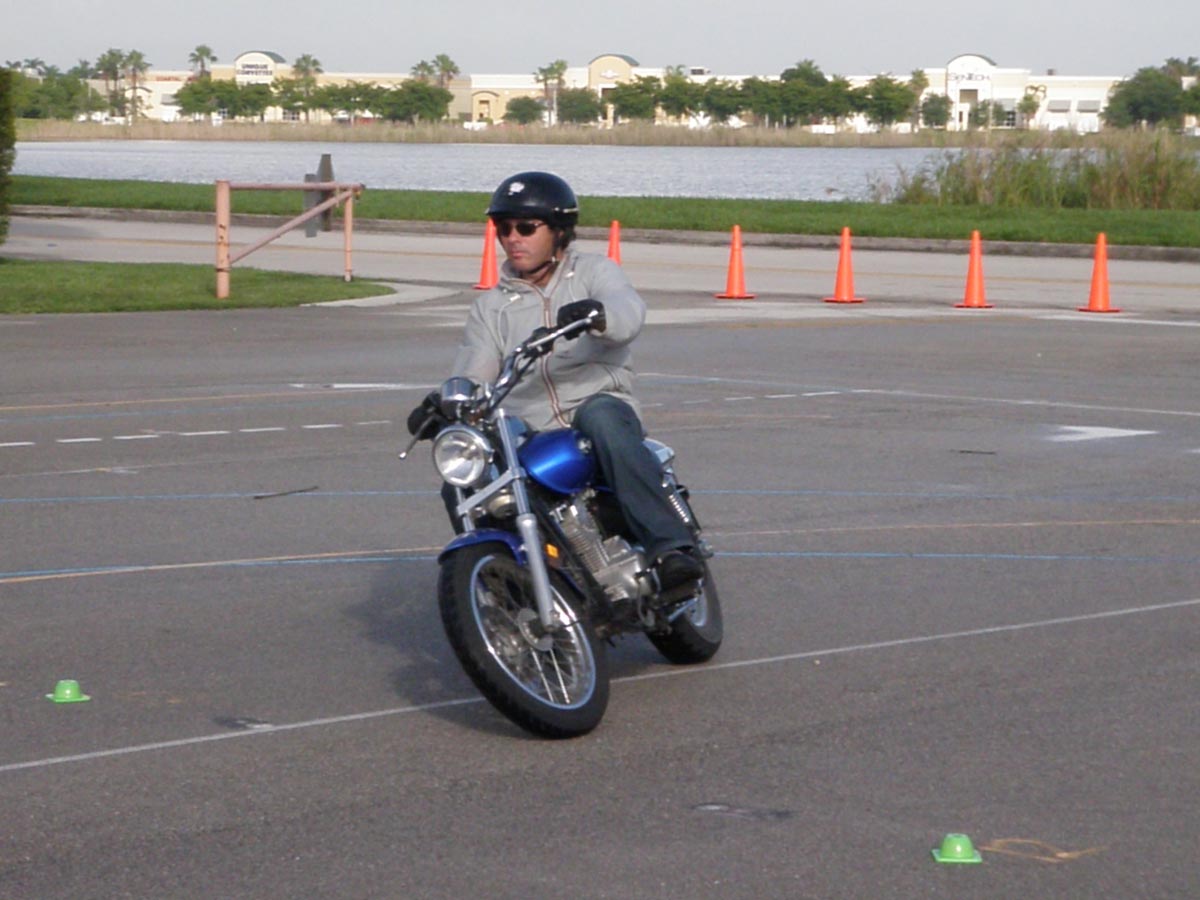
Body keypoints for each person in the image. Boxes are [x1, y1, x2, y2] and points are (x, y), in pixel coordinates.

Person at [407, 170, 703, 594]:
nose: (513, 238)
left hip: (596, 401)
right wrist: (447, 401)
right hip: (530, 426)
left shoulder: (593, 272)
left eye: (526, 227)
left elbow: (628, 311)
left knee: (603, 421)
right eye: (504, 228)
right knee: (466, 475)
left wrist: (599, 314)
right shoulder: (491, 307)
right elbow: (475, 367)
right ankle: (502, 582)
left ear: (559, 230)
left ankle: (670, 547)